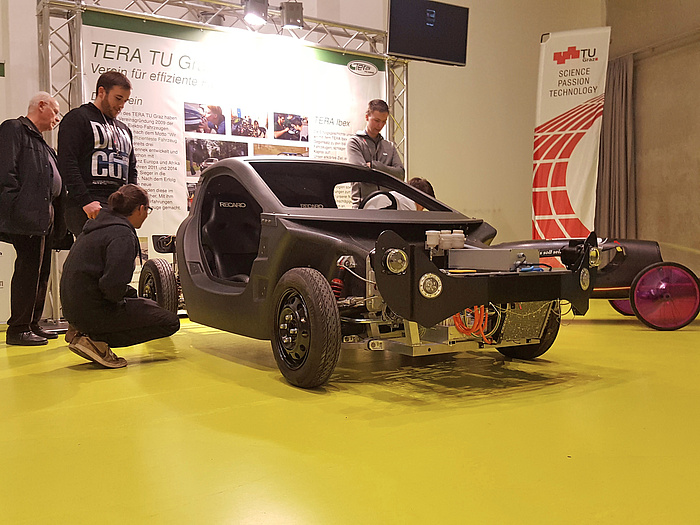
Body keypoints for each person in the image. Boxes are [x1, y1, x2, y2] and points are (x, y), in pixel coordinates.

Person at [60, 184, 179, 368]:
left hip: (74, 310)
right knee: (169, 322)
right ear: (141, 209)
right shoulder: (122, 235)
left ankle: (82, 331)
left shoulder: (97, 227)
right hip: (92, 311)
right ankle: (95, 341)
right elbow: (112, 287)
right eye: (148, 210)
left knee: (147, 305)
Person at [0, 92, 65, 346]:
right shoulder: (14, 129)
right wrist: (16, 206)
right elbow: (6, 172)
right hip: (26, 214)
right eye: (55, 111)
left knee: (41, 272)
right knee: (28, 271)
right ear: (41, 106)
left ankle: (32, 323)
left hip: (43, 217)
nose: (57, 118)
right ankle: (17, 329)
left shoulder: (43, 143)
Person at [58, 71, 138, 236]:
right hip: (89, 203)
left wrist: (132, 202)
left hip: (118, 206)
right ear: (101, 92)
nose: (121, 105)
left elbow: (131, 168)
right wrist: (85, 201)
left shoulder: (124, 129)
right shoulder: (78, 118)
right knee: (93, 258)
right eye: (118, 98)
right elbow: (67, 162)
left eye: (125, 100)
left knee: (121, 254)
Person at [347, 99, 405, 208]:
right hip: (363, 207)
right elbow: (361, 173)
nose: (380, 125)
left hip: (388, 207)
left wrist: (375, 166)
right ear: (367, 117)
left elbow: (400, 174)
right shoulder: (354, 142)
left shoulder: (390, 146)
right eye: (377, 120)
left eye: (384, 121)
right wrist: (388, 172)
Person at [362, 177, 435, 211]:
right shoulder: (408, 208)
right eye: (422, 208)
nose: (420, 211)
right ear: (420, 201)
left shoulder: (392, 196)